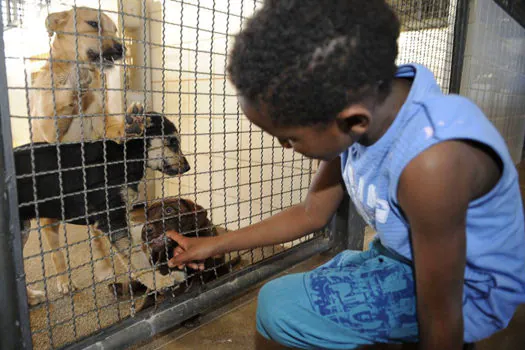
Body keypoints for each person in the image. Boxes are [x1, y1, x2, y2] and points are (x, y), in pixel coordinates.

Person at [165, 0, 525, 349]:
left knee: (278, 306)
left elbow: (442, 318)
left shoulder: (431, 163)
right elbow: (312, 213)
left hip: (469, 293)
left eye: (289, 138)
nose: (284, 147)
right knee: (297, 295)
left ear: (351, 119)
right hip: (403, 257)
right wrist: (214, 243)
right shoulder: (366, 100)